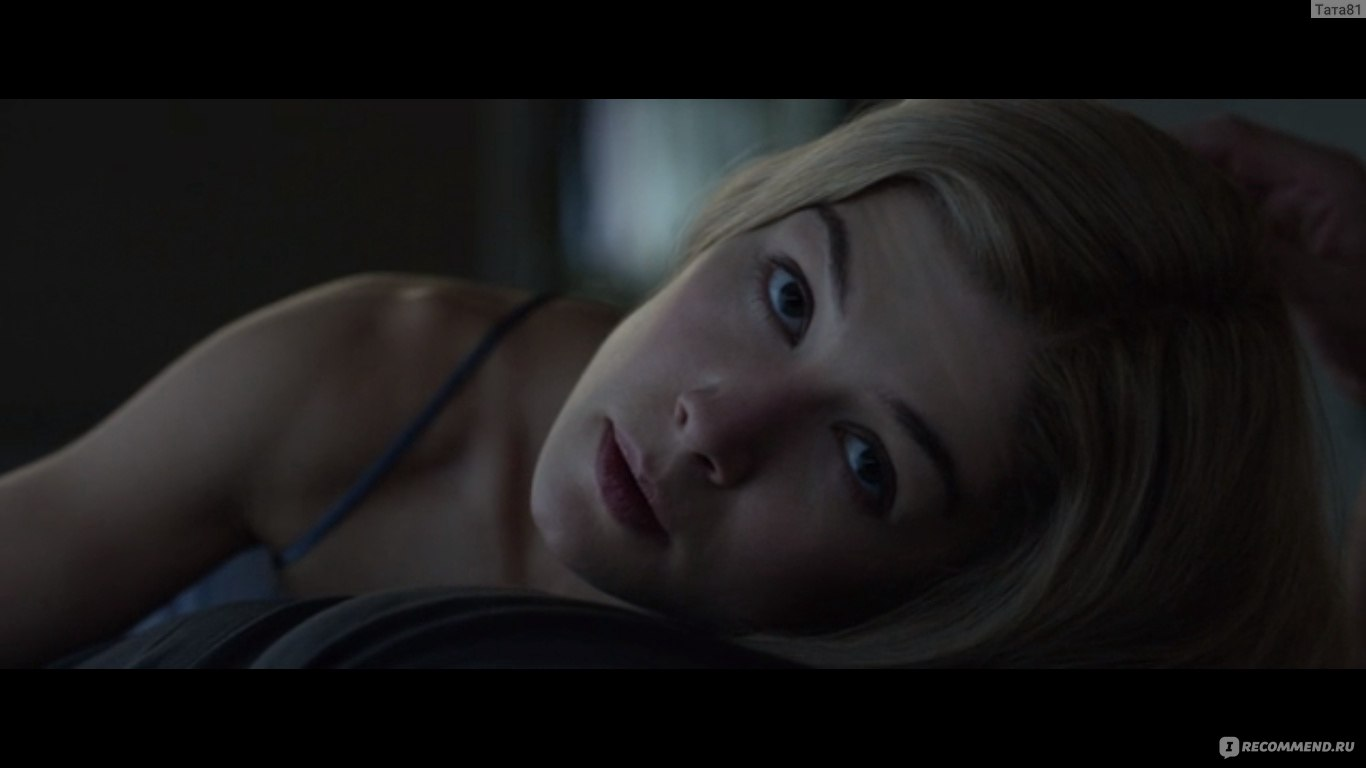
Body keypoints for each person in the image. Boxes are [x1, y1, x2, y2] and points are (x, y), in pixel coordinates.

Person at [0, 100, 1357, 668]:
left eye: (868, 462)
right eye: (788, 295)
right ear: (749, 215)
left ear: (961, 597)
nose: (718, 423)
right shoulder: (371, 370)